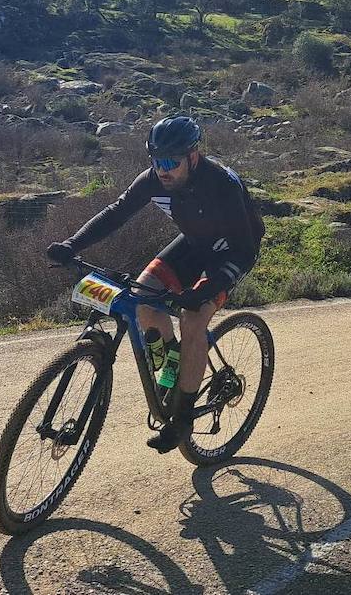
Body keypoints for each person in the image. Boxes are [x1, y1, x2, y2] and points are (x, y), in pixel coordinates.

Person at [45, 115, 264, 453]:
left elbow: (246, 249)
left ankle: (184, 418)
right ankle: (175, 364)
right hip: (193, 244)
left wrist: (208, 290)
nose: (162, 170)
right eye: (156, 160)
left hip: (229, 253)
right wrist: (73, 244)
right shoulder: (153, 180)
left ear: (193, 157)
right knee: (142, 298)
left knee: (193, 319)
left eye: (170, 162)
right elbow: (116, 213)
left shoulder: (221, 183)